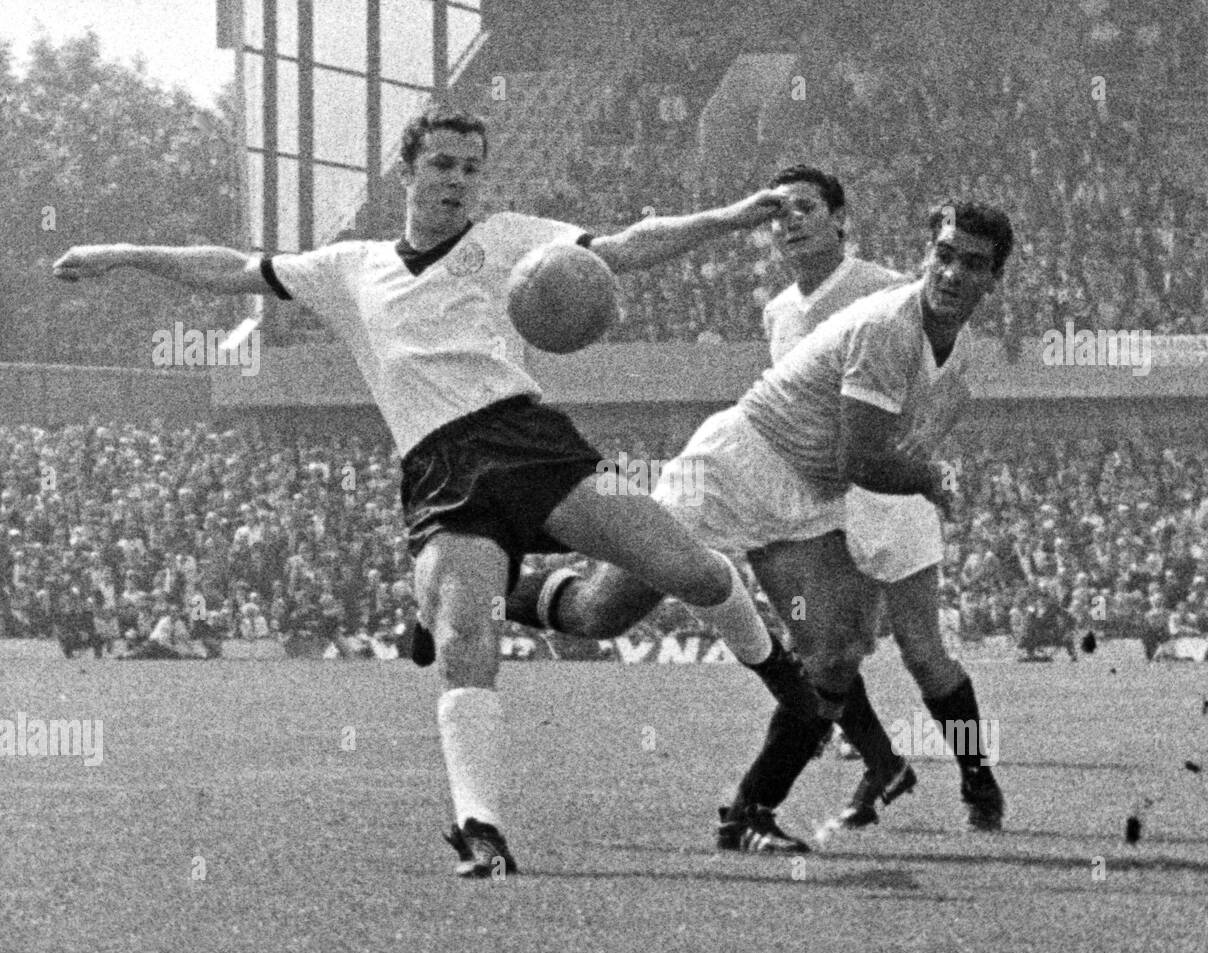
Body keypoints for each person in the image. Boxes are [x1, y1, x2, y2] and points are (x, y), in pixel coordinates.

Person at [54, 106, 827, 880]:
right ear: (408, 170)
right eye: (443, 164)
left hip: (533, 441)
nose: (457, 180)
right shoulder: (350, 267)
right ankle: (479, 826)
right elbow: (231, 266)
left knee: (690, 569)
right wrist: (123, 253)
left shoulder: (511, 238)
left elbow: (623, 248)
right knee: (466, 643)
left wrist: (733, 216)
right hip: (440, 470)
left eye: (470, 168)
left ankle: (786, 687)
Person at [510, 196, 1013, 846]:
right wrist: (927, 477)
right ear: (925, 255)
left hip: (806, 496)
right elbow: (857, 456)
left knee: (835, 650)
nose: (950, 273)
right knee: (602, 613)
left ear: (992, 279)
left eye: (970, 263)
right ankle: (487, 587)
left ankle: (748, 812)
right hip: (736, 466)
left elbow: (926, 408)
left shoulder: (946, 340)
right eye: (942, 255)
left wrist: (923, 454)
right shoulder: (891, 324)